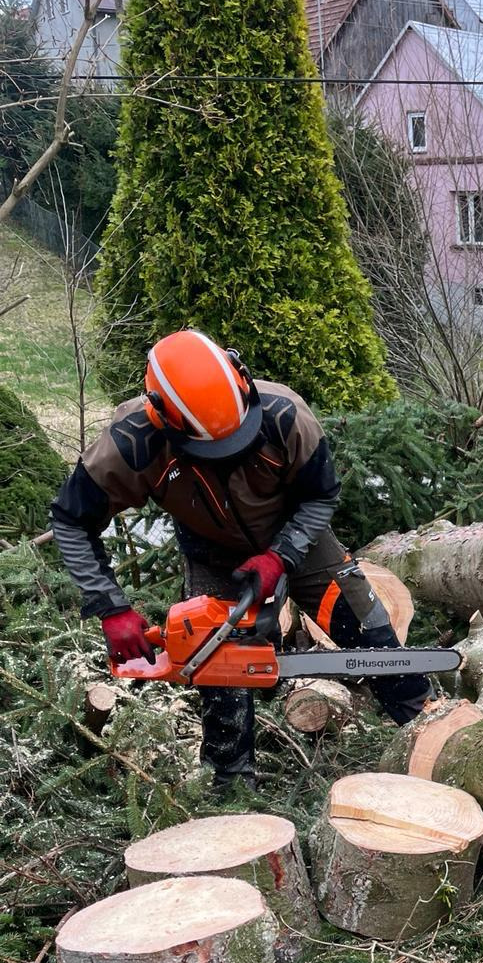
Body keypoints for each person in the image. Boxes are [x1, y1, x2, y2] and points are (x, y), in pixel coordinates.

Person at [51, 328, 428, 789]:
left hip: (298, 537)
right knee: (219, 668)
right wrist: (110, 606)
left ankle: (429, 728)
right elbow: (71, 522)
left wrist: (281, 556)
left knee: (368, 626)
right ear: (163, 417)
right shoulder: (132, 444)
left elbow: (321, 495)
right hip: (211, 553)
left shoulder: (284, 416)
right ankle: (231, 789)